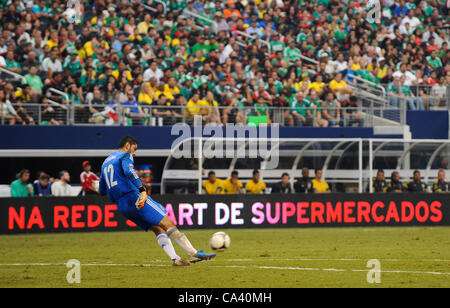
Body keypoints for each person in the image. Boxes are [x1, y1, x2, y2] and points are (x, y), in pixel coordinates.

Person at [98, 136, 215, 266]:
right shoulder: (125, 155)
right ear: (127, 145)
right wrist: (142, 189)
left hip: (122, 206)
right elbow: (129, 171)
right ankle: (194, 252)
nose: (134, 153)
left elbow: (102, 191)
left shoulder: (105, 163)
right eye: (134, 149)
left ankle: (175, 259)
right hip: (134, 197)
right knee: (168, 223)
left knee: (158, 228)